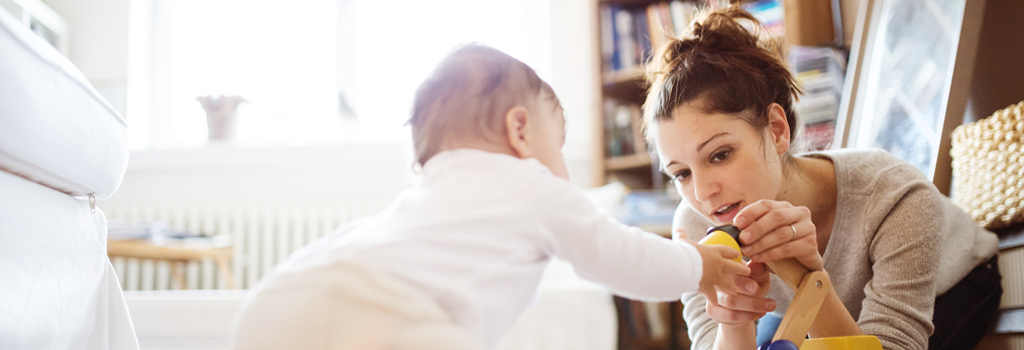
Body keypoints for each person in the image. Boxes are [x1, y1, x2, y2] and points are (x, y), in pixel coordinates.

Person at [228, 44, 750, 350]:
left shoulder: (428, 198)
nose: (561, 167)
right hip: (388, 317)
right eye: (558, 146)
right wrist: (700, 264)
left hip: (277, 302)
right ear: (520, 131)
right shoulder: (530, 185)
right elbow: (623, 259)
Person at [642, 7, 1001, 350]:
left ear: (777, 130)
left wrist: (808, 282)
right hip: (824, 301)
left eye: (720, 155)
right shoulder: (694, 224)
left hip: (954, 284)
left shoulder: (893, 195)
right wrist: (733, 321)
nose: (704, 192)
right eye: (681, 174)